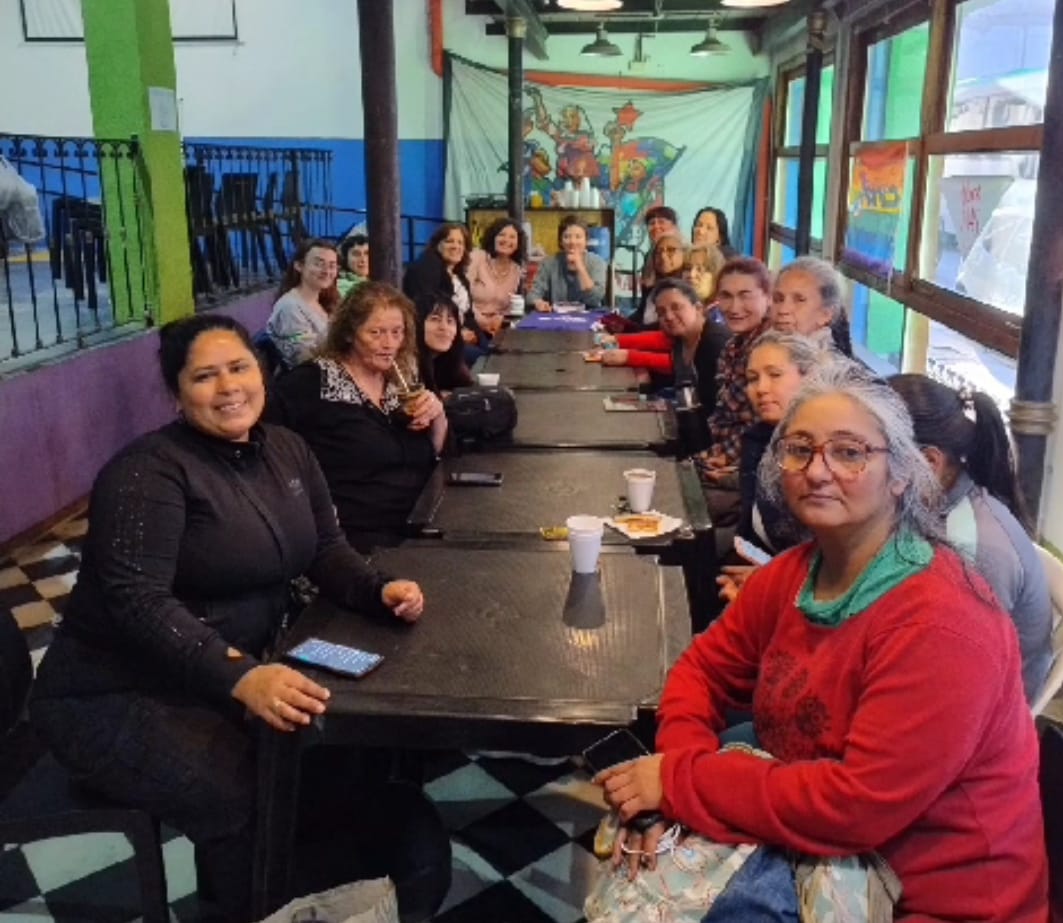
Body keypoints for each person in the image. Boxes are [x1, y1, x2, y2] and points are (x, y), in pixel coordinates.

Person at [596, 365, 1047, 922]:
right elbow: (702, 671)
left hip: (929, 896)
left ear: (902, 474)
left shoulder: (943, 626)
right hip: (821, 854)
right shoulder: (794, 573)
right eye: (800, 449)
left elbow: (855, 808)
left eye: (849, 453)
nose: (817, 471)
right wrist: (679, 775)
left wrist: (679, 783)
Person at [28, 314, 426, 922]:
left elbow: (324, 548)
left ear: (261, 372)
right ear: (177, 394)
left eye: (239, 367)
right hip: (109, 695)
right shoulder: (147, 473)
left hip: (208, 678)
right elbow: (139, 601)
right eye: (204, 376)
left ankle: (316, 892)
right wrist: (241, 676)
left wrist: (379, 589)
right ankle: (255, 907)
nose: (228, 387)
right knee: (243, 791)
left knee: (326, 758)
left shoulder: (285, 449)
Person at [889, 373, 1052, 703]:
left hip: (978, 707)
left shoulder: (973, 548)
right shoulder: (931, 508)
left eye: (861, 454)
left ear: (930, 463)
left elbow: (961, 678)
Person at [271, 282, 448, 554]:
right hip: (361, 540)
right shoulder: (312, 384)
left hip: (419, 520)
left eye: (397, 332)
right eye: (376, 333)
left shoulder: (397, 381)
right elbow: (264, 443)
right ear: (349, 334)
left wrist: (437, 415)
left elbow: (431, 453)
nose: (389, 344)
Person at [718, 331, 831, 602]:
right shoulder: (759, 437)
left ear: (810, 377)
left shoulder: (822, 452)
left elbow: (826, 556)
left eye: (775, 375)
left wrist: (770, 581)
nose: (761, 388)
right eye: (752, 378)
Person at [592, 278, 730, 417]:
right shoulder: (680, 338)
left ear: (698, 308)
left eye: (676, 307)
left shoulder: (715, 344)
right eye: (661, 312)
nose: (668, 316)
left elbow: (718, 410)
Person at [700, 258, 774, 483]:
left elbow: (764, 427)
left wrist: (725, 458)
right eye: (726, 296)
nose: (734, 307)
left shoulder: (770, 349)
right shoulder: (733, 345)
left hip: (746, 468)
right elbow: (724, 415)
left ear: (768, 297)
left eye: (745, 295)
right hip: (718, 452)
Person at [265, 238, 340, 369]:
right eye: (318, 264)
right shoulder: (290, 307)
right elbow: (305, 358)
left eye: (332, 266)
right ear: (299, 266)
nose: (326, 271)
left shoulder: (325, 301)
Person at [772, 256, 853, 356]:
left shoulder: (832, 364)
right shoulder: (763, 348)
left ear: (825, 314)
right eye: (778, 299)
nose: (782, 310)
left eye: (799, 300)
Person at [528, 215, 607, 311]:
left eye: (578, 237)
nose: (572, 242)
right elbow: (532, 295)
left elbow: (595, 298)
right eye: (567, 237)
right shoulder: (549, 263)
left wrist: (580, 267)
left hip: (589, 316)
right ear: (561, 241)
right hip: (555, 316)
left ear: (586, 240)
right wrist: (538, 303)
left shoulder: (597, 262)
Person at [402, 222, 473, 326]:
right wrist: (459, 332)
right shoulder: (425, 269)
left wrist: (475, 333)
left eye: (460, 243)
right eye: (449, 241)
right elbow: (427, 311)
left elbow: (469, 316)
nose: (455, 246)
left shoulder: (462, 279)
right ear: (437, 245)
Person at [415, 293, 473, 395]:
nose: (444, 327)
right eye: (435, 319)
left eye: (450, 321)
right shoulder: (410, 366)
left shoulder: (452, 362)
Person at [467, 217, 524, 316]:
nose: (506, 240)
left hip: (498, 321)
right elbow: (462, 296)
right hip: (470, 318)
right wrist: (479, 318)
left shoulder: (516, 270)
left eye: (512, 237)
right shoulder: (477, 257)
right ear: (493, 238)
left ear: (518, 244)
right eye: (502, 235)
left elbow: (509, 307)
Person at [629, 232, 687, 328]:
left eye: (671, 250)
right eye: (659, 252)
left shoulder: (686, 288)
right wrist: (623, 324)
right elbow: (640, 315)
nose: (663, 256)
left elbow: (668, 326)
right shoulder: (651, 287)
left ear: (684, 253)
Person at [639, 204, 679, 291]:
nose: (656, 227)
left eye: (661, 222)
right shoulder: (649, 255)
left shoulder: (680, 251)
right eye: (652, 223)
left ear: (674, 226)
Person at [337, 233, 370, 298]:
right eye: (356, 254)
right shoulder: (341, 286)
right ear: (346, 258)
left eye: (367, 253)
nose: (363, 260)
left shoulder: (381, 280)